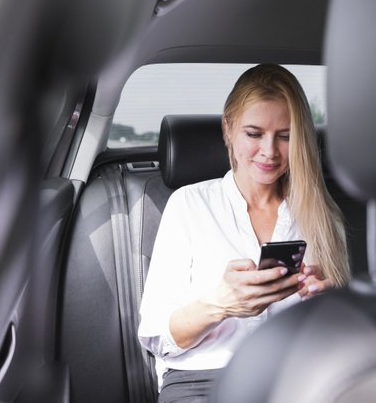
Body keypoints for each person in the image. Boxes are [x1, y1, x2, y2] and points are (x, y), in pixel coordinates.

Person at [138, 64, 351, 403]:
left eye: (285, 135)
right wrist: (221, 303)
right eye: (254, 134)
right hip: (203, 382)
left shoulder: (322, 217)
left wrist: (332, 301)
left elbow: (344, 337)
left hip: (298, 378)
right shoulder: (189, 206)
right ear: (228, 129)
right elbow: (159, 337)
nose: (270, 151)